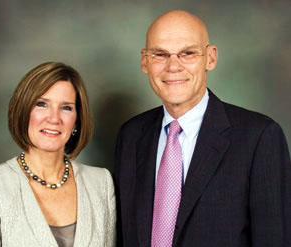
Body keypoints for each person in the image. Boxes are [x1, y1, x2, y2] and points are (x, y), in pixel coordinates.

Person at [114, 10, 291, 247]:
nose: (173, 66)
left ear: (210, 58)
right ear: (144, 61)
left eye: (187, 53)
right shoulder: (131, 136)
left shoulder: (259, 137)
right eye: (160, 54)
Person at [0, 62, 116, 247]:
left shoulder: (101, 183)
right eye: (41, 104)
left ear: (76, 120)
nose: (53, 118)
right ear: (24, 111)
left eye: (66, 107)